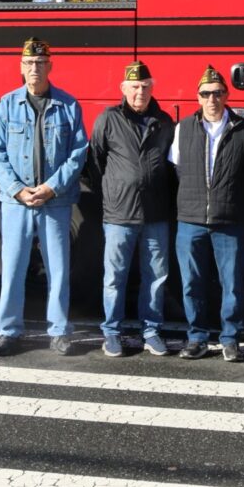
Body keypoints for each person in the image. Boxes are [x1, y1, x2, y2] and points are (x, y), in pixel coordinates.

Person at [0, 37, 88, 356]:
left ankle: (59, 330)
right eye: (29, 63)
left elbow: (78, 152)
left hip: (55, 201)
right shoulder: (6, 104)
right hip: (17, 202)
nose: (35, 68)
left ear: (50, 66)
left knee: (58, 269)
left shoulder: (69, 105)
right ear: (21, 67)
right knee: (13, 268)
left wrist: (51, 187)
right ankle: (9, 331)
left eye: (41, 63)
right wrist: (17, 189)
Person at [168, 65, 244, 362]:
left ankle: (230, 338)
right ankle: (197, 338)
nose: (212, 99)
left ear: (227, 94)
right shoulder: (184, 127)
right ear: (198, 97)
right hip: (190, 220)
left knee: (232, 283)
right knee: (192, 282)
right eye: (205, 94)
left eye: (217, 93)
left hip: (229, 221)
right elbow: (177, 169)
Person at [89, 60, 175, 357]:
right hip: (119, 214)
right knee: (115, 276)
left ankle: (151, 331)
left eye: (145, 86)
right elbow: (96, 162)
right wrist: (116, 190)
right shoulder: (108, 119)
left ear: (152, 88)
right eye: (134, 87)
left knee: (156, 276)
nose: (140, 92)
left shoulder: (164, 122)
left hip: (156, 213)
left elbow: (170, 164)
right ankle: (112, 331)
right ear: (123, 89)